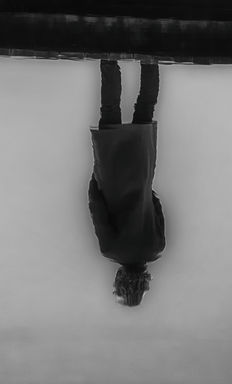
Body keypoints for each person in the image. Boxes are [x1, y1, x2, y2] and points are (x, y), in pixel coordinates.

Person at [88, 59, 165, 307]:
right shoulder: (110, 250)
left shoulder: (157, 247)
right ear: (121, 282)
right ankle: (109, 59)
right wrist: (95, 177)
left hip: (142, 172)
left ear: (142, 283)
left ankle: (150, 60)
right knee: (109, 109)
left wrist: (146, 188)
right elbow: (97, 209)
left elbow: (157, 207)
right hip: (112, 174)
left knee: (146, 107)